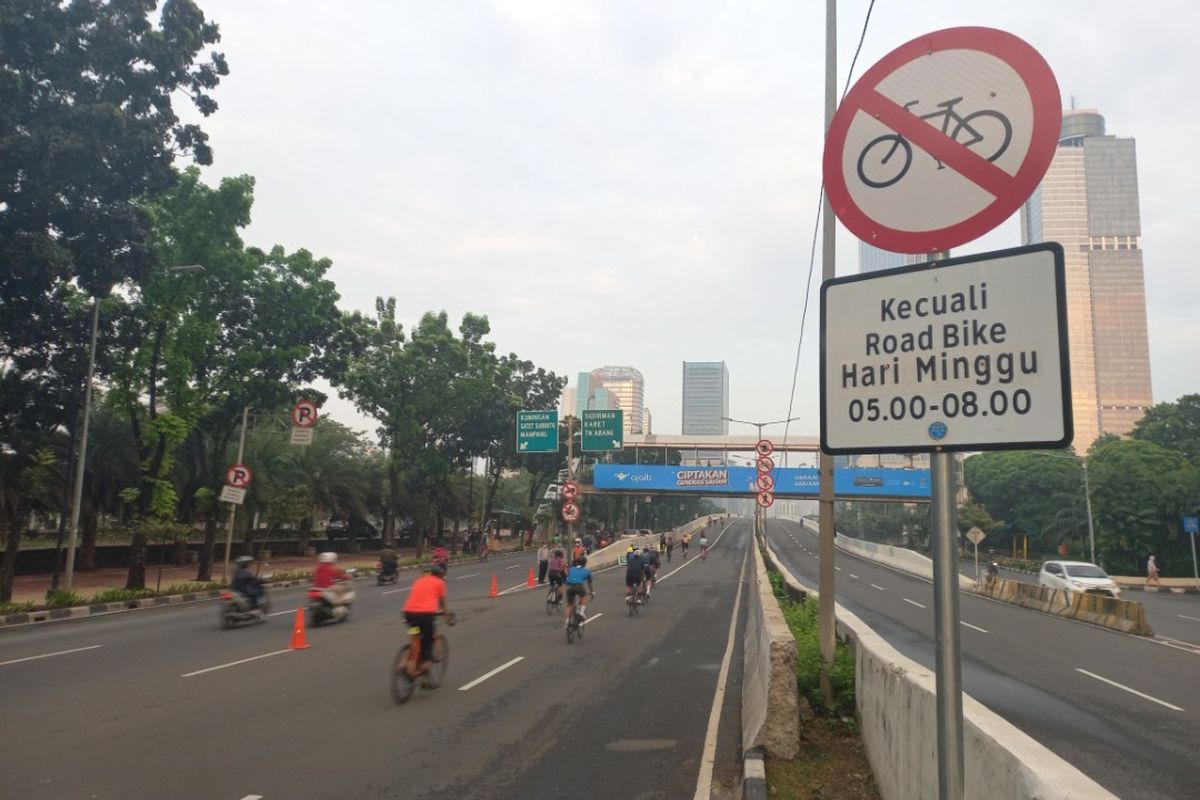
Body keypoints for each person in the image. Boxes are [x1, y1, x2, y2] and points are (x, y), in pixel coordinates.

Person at [401, 563, 450, 683]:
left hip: (409, 614)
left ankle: (402, 663)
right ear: (441, 575)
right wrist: (447, 616)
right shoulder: (440, 583)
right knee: (427, 643)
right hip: (425, 616)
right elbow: (442, 605)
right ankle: (424, 669)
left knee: (415, 639)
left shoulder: (419, 580)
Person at [564, 555, 594, 628]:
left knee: (569, 605)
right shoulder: (587, 571)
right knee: (583, 596)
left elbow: (568, 576)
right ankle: (581, 612)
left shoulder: (571, 569)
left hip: (570, 587)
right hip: (578, 586)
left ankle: (567, 621)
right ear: (585, 563)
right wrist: (592, 592)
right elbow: (589, 583)